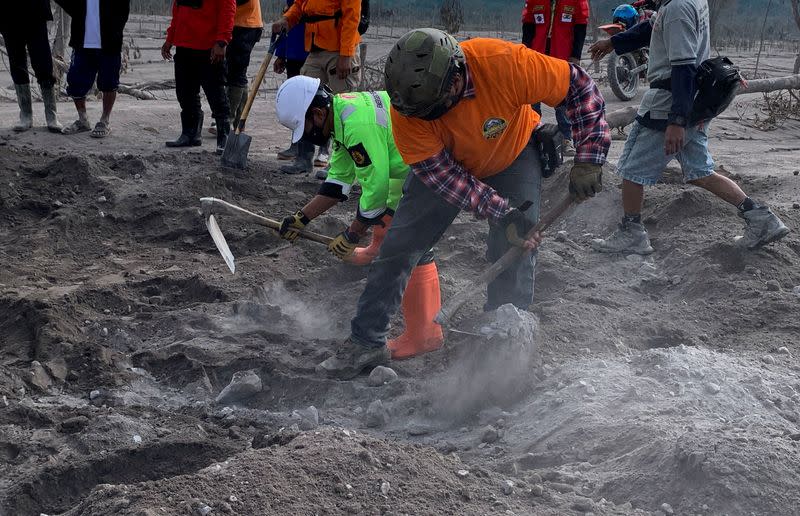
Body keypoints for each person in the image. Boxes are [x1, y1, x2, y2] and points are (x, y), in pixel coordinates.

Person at [316, 28, 610, 379]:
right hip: (449, 162)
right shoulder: (406, 112)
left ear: (457, 78)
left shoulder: (502, 63)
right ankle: (365, 342)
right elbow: (448, 180)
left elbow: (578, 86)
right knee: (398, 245)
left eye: (433, 110)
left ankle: (503, 339)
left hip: (513, 150)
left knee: (514, 246)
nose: (427, 118)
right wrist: (501, 211)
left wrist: (590, 156)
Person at [588, 0, 789, 254]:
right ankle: (762, 218)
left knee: (631, 170)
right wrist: (613, 43)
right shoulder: (684, 3)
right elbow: (651, 27)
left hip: (668, 106)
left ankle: (632, 233)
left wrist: (677, 121)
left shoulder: (677, 9)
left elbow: (684, 68)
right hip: (691, 103)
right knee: (701, 171)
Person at [275, 75, 442, 359]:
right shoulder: (341, 117)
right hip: (406, 166)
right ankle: (378, 247)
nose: (310, 136)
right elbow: (338, 182)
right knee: (390, 207)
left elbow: (373, 189)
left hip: (429, 165)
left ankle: (424, 335)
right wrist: (302, 218)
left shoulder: (355, 126)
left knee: (411, 248)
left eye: (308, 128)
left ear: (317, 112)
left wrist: (352, 234)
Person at [271, 0, 363, 178]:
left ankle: (339, 164)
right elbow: (299, 5)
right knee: (303, 101)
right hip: (315, 48)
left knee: (342, 107)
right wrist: (286, 20)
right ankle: (304, 159)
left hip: (340, 49)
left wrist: (346, 54)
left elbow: (352, 16)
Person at [162, 0, 236, 154]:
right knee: (185, 93)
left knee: (216, 95)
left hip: (209, 47)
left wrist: (222, 41)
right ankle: (190, 134)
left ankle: (224, 138)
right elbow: (178, 10)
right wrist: (170, 38)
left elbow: (228, 9)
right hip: (184, 44)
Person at [521, 0, 590, 156]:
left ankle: (566, 138)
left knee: (562, 100)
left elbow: (581, 27)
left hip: (562, 57)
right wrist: (524, 52)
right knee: (532, 98)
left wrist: (575, 56)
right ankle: (530, 136)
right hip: (536, 56)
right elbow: (528, 25)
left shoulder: (577, 2)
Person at [54, 0, 130, 138]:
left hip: (110, 41)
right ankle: (83, 119)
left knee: (109, 81)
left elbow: (123, 9)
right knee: (76, 80)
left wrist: (115, 30)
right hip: (83, 40)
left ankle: (105, 120)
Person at [1, 1, 62, 133]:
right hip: (7, 14)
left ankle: (51, 115)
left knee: (43, 62)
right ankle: (26, 115)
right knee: (17, 64)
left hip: (35, 13)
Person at [208, 0, 264, 136]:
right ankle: (239, 121)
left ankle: (227, 118)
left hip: (244, 25)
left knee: (235, 73)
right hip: (244, 22)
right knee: (238, 73)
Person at [274, 0, 310, 164]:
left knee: (316, 103)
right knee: (297, 103)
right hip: (294, 53)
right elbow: (286, 24)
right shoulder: (291, 4)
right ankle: (296, 144)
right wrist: (281, 54)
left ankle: (323, 149)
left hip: (313, 51)